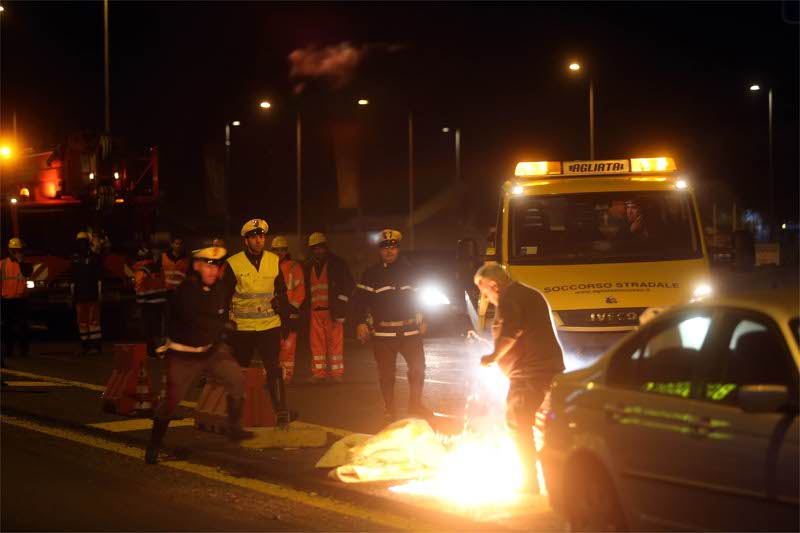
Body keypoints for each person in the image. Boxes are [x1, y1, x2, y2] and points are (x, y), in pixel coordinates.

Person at [145, 246, 253, 464]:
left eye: (216, 266)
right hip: (184, 354)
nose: (213, 271)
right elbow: (195, 321)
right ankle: (154, 446)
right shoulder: (187, 290)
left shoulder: (219, 287)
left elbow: (218, 315)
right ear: (196, 266)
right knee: (171, 401)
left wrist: (224, 330)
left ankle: (233, 428)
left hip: (210, 349)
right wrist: (224, 326)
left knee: (236, 379)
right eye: (208, 265)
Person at [473, 263, 565, 494]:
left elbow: (512, 333)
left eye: (484, 291)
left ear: (494, 284)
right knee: (545, 422)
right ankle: (557, 478)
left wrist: (493, 356)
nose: (485, 296)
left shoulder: (510, 297)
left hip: (530, 372)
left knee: (518, 421)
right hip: (546, 368)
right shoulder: (527, 293)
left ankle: (529, 482)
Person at [351, 229, 433, 422]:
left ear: (398, 248)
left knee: (418, 369)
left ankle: (415, 404)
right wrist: (359, 323)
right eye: (384, 248)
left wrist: (426, 318)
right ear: (380, 251)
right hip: (383, 335)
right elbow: (359, 302)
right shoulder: (371, 274)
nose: (389, 251)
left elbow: (423, 298)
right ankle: (390, 408)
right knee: (386, 375)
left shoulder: (411, 271)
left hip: (410, 331)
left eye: (392, 247)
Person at [220, 218, 294, 425]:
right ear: (246, 241)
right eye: (254, 237)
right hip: (242, 327)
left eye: (261, 236)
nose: (259, 240)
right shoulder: (233, 263)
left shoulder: (272, 260)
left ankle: (279, 409)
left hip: (268, 325)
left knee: (273, 368)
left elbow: (281, 291)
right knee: (241, 369)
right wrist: (224, 325)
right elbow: (224, 297)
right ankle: (237, 411)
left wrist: (286, 319)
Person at [303, 232, 354, 384]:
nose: (318, 251)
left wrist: (341, 304)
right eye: (315, 249)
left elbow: (349, 285)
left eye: (320, 248)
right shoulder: (308, 266)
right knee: (316, 345)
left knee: (335, 343)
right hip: (314, 312)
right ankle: (319, 373)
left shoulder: (338, 264)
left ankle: (337, 372)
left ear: (325, 247)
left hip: (333, 311)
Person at [271, 235, 305, 384]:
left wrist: (292, 308)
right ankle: (271, 375)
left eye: (282, 250)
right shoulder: (268, 267)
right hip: (272, 313)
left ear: (286, 251)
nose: (279, 252)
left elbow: (300, 291)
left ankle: (286, 375)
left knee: (288, 346)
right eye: (276, 250)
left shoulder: (294, 267)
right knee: (271, 346)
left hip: (289, 312)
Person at [71, 232, 104, 354]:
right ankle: (85, 345)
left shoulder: (94, 257)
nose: (81, 245)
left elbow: (99, 276)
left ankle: (94, 345)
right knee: (83, 321)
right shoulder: (75, 258)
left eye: (83, 242)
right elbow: (73, 279)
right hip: (82, 295)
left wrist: (99, 292)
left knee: (92, 320)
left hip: (90, 293)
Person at [133, 244, 167, 358]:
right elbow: (163, 283)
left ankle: (150, 351)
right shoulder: (158, 267)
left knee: (148, 329)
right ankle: (160, 350)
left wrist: (139, 303)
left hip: (147, 304)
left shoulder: (141, 270)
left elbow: (139, 287)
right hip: (160, 302)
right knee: (158, 328)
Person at [1, 237, 32, 362]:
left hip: (21, 299)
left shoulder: (25, 263)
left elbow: (28, 274)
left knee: (23, 326)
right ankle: (9, 350)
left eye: (18, 250)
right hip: (7, 299)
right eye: (14, 250)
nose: (16, 252)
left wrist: (21, 262)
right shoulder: (2, 264)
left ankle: (23, 350)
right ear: (9, 250)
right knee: (7, 327)